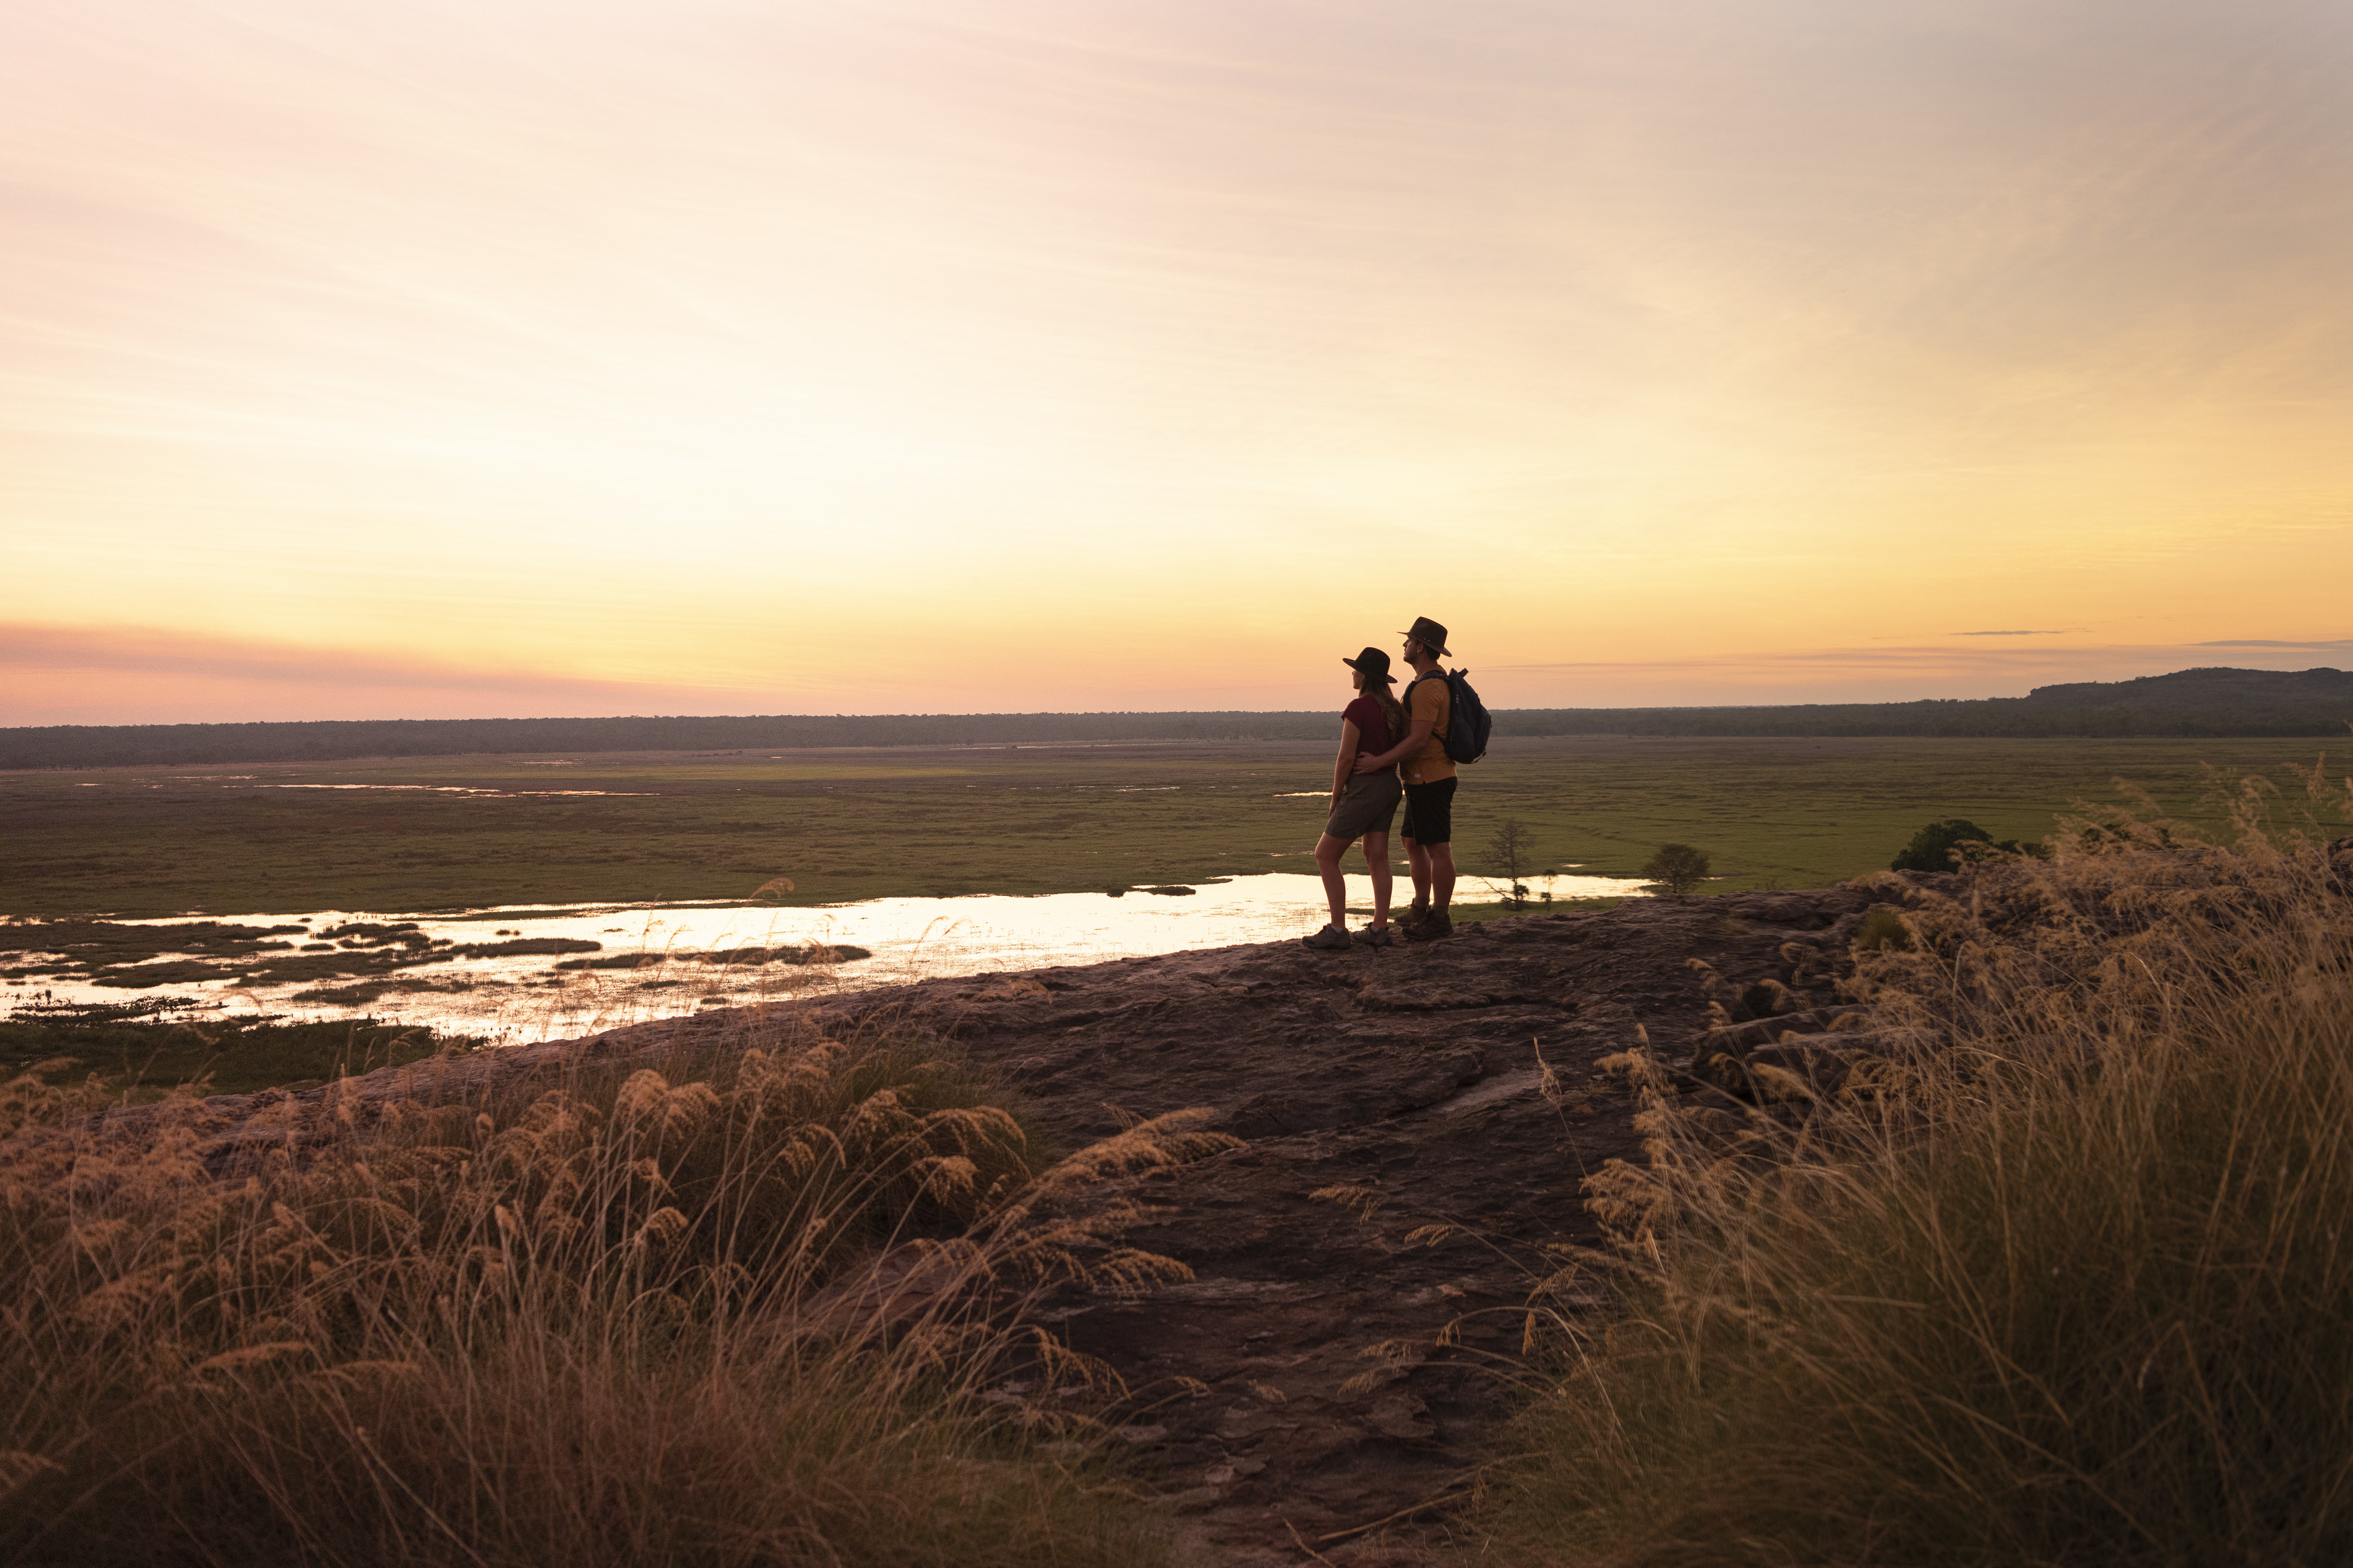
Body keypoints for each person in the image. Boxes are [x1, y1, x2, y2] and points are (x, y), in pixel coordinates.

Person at [1351, 615, 1456, 940]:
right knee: (1411, 841)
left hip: (1432, 777)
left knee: (1438, 848)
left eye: (1409, 641)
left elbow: (1419, 739)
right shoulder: (1425, 682)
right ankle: (1421, 908)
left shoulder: (1428, 687)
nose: (1404, 645)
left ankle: (1439, 917)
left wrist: (1379, 761)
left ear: (1421, 647)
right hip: (1420, 777)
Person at [1301, 646, 1406, 951]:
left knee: (1325, 855)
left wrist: (1336, 796)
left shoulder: (1358, 708)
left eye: (1355, 669)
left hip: (1365, 789)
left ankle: (1337, 929)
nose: (1351, 672)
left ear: (1364, 675)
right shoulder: (1393, 709)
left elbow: (1345, 758)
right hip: (1389, 785)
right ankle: (1379, 928)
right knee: (1377, 857)